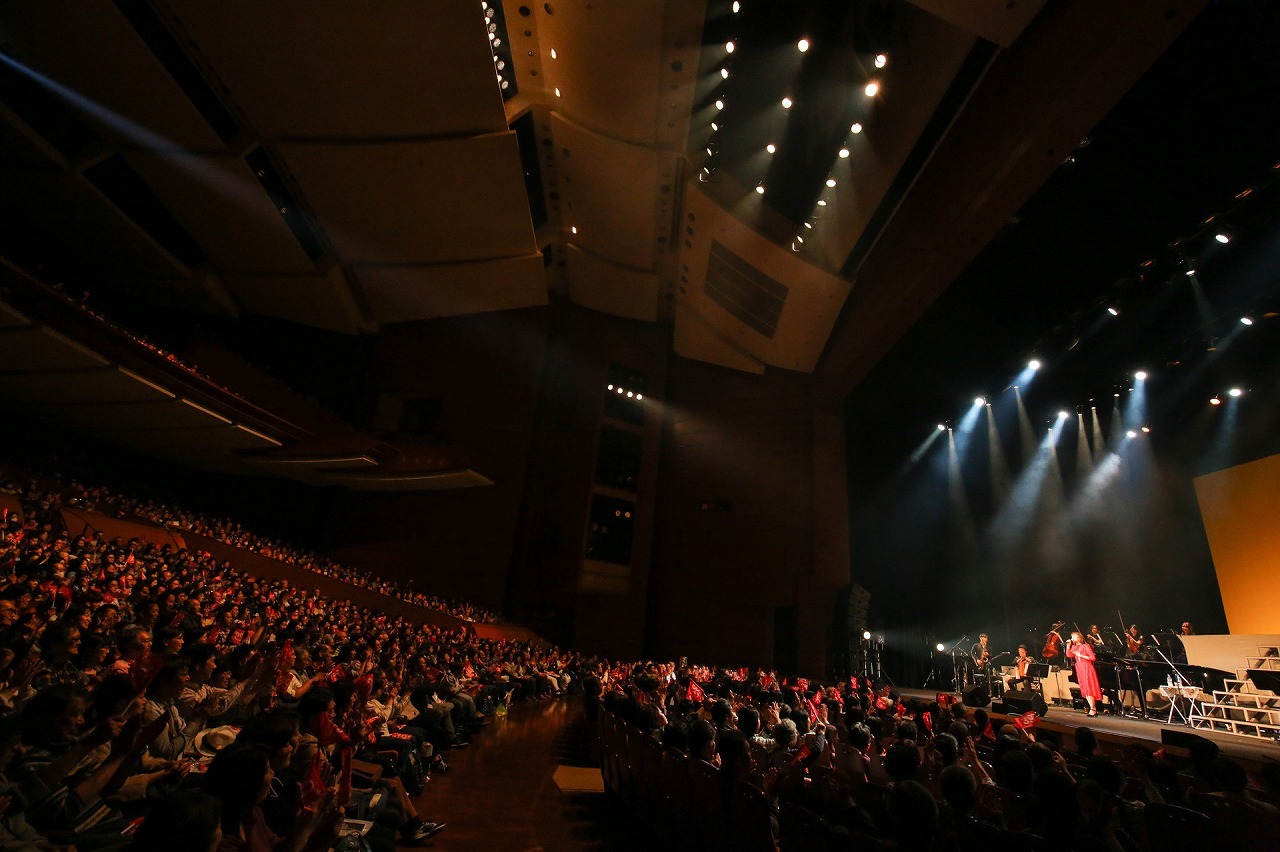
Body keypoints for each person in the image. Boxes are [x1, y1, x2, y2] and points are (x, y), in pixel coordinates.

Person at [1064, 631, 1102, 717]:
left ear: (1080, 638)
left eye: (1074, 636)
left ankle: (1093, 709)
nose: (1073, 638)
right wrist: (1068, 646)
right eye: (1072, 637)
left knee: (1089, 687)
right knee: (1085, 688)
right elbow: (1069, 655)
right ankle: (1093, 708)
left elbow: (1093, 658)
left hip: (1086, 667)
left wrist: (1080, 655)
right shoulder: (1073, 647)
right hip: (1079, 667)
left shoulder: (1085, 646)